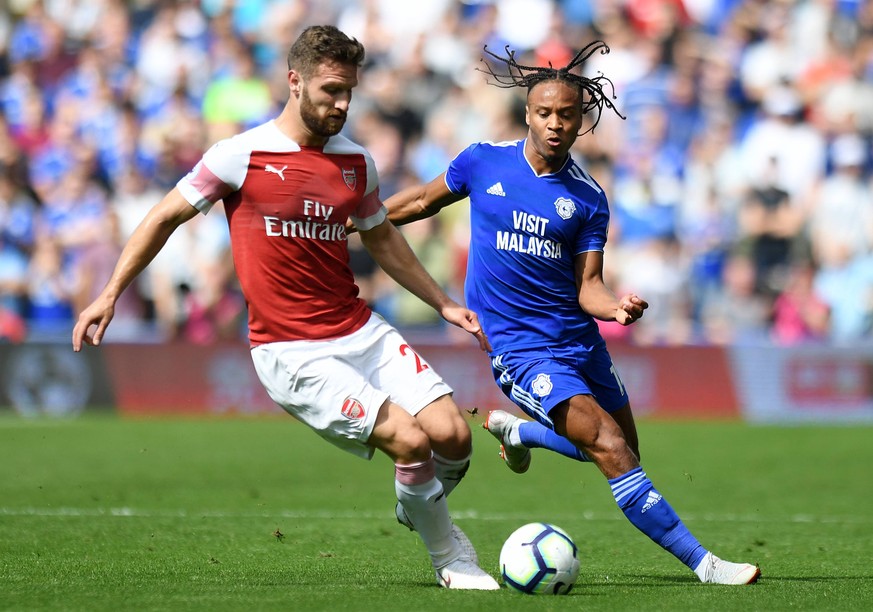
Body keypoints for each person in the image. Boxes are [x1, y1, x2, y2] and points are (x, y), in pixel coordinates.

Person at [71, 25, 498, 591]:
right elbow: (163, 217)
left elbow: (381, 237)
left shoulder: (356, 162)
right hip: (291, 351)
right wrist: (109, 294)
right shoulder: (237, 155)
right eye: (330, 91)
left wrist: (442, 303)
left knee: (454, 437)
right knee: (410, 441)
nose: (342, 104)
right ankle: (452, 560)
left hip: (359, 329)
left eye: (349, 91)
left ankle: (416, 499)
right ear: (294, 82)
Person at [383, 41, 761, 585]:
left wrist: (618, 308)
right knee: (609, 448)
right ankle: (706, 564)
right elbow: (419, 202)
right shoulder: (482, 161)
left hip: (579, 340)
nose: (555, 124)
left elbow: (590, 288)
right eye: (545, 113)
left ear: (581, 120)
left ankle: (521, 435)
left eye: (567, 114)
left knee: (623, 447)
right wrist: (354, 221)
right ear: (528, 114)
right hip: (520, 348)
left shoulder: (587, 198)